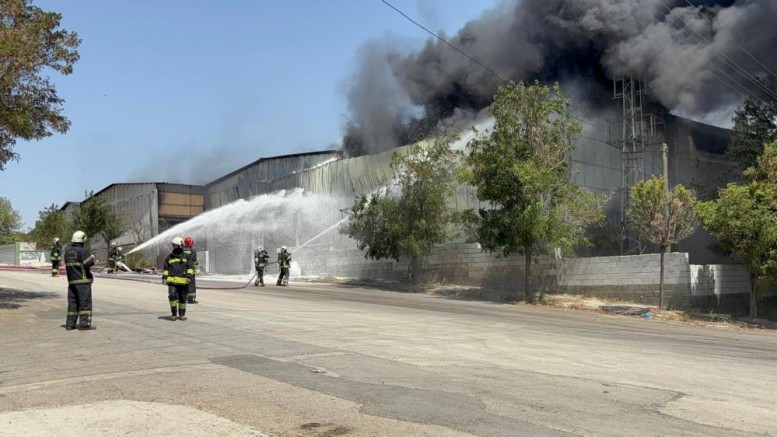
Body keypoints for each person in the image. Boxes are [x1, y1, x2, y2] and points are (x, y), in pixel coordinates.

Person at [64, 231, 97, 330]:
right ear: (82, 239)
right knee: (85, 303)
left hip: (72, 282)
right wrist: (92, 258)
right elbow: (88, 263)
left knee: (73, 304)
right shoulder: (83, 251)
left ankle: (70, 324)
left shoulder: (67, 252)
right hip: (83, 282)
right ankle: (84, 324)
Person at [162, 237, 194, 321]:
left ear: (181, 246)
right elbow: (166, 269)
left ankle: (182, 314)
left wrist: (189, 276)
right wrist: (164, 278)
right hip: (172, 282)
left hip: (183, 282)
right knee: (172, 296)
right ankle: (173, 314)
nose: (174, 247)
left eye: (176, 245)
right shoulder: (169, 257)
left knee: (182, 298)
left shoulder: (187, 256)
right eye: (173, 245)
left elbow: (190, 267)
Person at [182, 236, 199, 303]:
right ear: (191, 243)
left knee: (182, 284)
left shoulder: (181, 250)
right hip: (190, 271)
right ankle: (191, 299)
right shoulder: (193, 251)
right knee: (191, 284)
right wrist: (197, 262)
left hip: (182, 270)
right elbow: (194, 261)